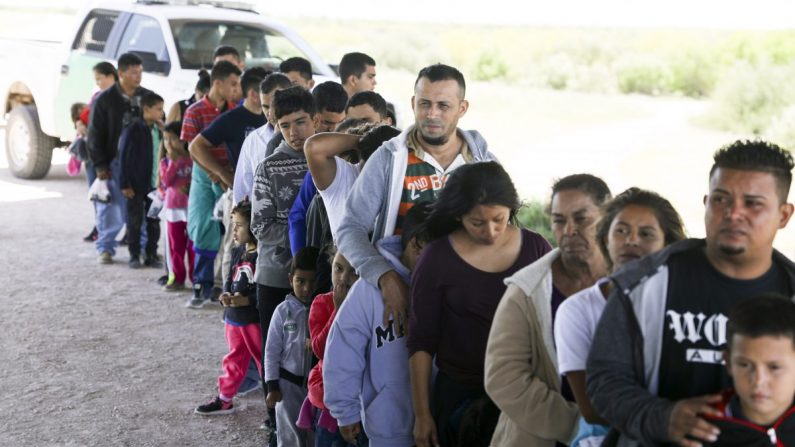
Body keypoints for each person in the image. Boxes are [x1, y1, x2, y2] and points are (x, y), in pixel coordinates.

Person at [586, 140, 795, 447]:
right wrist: (662, 417)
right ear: (706, 202)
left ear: (784, 215)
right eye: (721, 200)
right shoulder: (643, 285)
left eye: (753, 203)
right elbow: (604, 379)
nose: (733, 214)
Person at [337, 63, 494, 338]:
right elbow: (350, 229)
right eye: (424, 104)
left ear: (462, 108)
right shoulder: (389, 159)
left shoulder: (481, 163)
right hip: (399, 300)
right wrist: (385, 277)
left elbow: (503, 228)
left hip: (464, 300)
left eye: (443, 105)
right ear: (413, 103)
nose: (432, 114)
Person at [408, 162, 552, 447]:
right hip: (460, 393)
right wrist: (422, 415)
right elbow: (421, 341)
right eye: (477, 222)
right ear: (458, 216)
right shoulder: (437, 257)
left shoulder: (536, 248)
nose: (491, 231)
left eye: (499, 219)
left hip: (525, 390)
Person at [484, 174, 612, 447]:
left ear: (608, 217)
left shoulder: (633, 282)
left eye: (581, 219)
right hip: (536, 438)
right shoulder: (526, 290)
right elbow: (503, 378)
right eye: (559, 220)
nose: (569, 230)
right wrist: (579, 425)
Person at [553, 187, 687, 446]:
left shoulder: (684, 304)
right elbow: (592, 409)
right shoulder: (577, 310)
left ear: (668, 245)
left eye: (646, 234)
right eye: (621, 231)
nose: (631, 241)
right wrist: (666, 418)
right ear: (605, 239)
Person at [324, 203, 431, 447]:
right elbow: (343, 350)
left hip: (437, 420)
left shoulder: (440, 286)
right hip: (388, 426)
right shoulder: (368, 289)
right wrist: (345, 411)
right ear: (416, 245)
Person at [251, 86, 317, 344]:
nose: (293, 132)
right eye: (285, 125)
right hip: (277, 275)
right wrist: (308, 240)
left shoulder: (330, 161)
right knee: (276, 350)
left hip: (321, 273)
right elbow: (260, 226)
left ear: (316, 120)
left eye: (300, 122)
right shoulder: (269, 168)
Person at [182, 60, 242, 308]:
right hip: (203, 175)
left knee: (230, 231)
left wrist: (222, 172)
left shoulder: (234, 111)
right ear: (217, 83)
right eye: (233, 84)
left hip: (228, 174)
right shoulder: (195, 111)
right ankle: (200, 285)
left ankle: (221, 285)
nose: (236, 89)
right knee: (204, 227)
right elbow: (191, 148)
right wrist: (212, 171)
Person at [195, 199, 262, 415]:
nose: (234, 230)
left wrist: (248, 300)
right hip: (233, 317)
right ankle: (225, 399)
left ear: (254, 226)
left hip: (252, 320)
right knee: (234, 358)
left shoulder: (263, 256)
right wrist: (226, 295)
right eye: (233, 224)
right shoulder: (236, 252)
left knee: (265, 361)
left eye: (240, 225)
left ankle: (275, 410)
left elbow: (264, 290)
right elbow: (230, 279)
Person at [703, 294, 795, 446]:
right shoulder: (700, 432)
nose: (758, 381)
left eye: (774, 367)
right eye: (744, 365)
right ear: (728, 363)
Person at [87, 52, 151, 264]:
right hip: (113, 162)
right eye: (133, 72)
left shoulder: (146, 98)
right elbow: (94, 135)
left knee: (139, 208)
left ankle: (141, 247)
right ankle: (105, 248)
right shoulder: (105, 100)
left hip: (140, 164)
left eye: (140, 72)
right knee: (109, 207)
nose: (138, 77)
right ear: (121, 73)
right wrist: (100, 164)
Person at [305, 124, 402, 241]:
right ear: (362, 159)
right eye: (371, 164)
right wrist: (365, 140)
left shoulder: (404, 179)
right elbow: (313, 147)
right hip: (345, 257)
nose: (375, 173)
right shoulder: (342, 178)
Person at [264, 247, 319, 447]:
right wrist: (272, 385)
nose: (306, 288)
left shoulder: (321, 308)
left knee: (313, 436)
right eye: (300, 281)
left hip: (315, 388)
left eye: (312, 282)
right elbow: (271, 351)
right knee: (289, 437)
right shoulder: (282, 312)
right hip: (287, 388)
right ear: (290, 280)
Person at [305, 248, 359, 446]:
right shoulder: (322, 303)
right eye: (338, 268)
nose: (343, 278)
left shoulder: (366, 305)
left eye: (353, 271)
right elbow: (320, 350)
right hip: (328, 397)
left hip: (356, 396)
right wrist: (338, 310)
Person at [287, 81, 348, 255]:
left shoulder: (348, 152)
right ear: (314, 117)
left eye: (341, 122)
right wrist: (301, 262)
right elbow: (297, 217)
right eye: (328, 123)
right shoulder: (286, 147)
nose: (335, 130)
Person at [118, 92, 165, 269]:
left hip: (155, 184)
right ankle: (134, 254)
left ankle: (151, 254)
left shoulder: (158, 130)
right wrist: (125, 184)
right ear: (146, 109)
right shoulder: (133, 129)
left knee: (153, 220)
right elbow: (124, 158)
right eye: (158, 109)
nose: (162, 113)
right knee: (135, 221)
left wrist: (165, 130)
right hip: (136, 185)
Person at [233, 73, 292, 204]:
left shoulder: (306, 135)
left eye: (274, 104)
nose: (270, 113)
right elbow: (242, 190)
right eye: (265, 106)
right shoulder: (253, 140)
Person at [80, 61, 120, 243]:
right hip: (95, 155)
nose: (98, 83)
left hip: (111, 156)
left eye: (100, 79)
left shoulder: (122, 98)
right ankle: (101, 233)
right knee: (99, 196)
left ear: (111, 75)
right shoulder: (98, 96)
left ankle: (115, 235)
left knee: (118, 200)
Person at [159, 121, 194, 292]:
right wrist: (174, 162)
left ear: (183, 139)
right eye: (165, 139)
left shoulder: (194, 158)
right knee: (175, 246)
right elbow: (166, 182)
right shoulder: (166, 161)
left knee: (194, 245)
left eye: (173, 139)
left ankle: (197, 279)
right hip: (173, 209)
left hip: (192, 208)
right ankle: (177, 277)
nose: (169, 143)